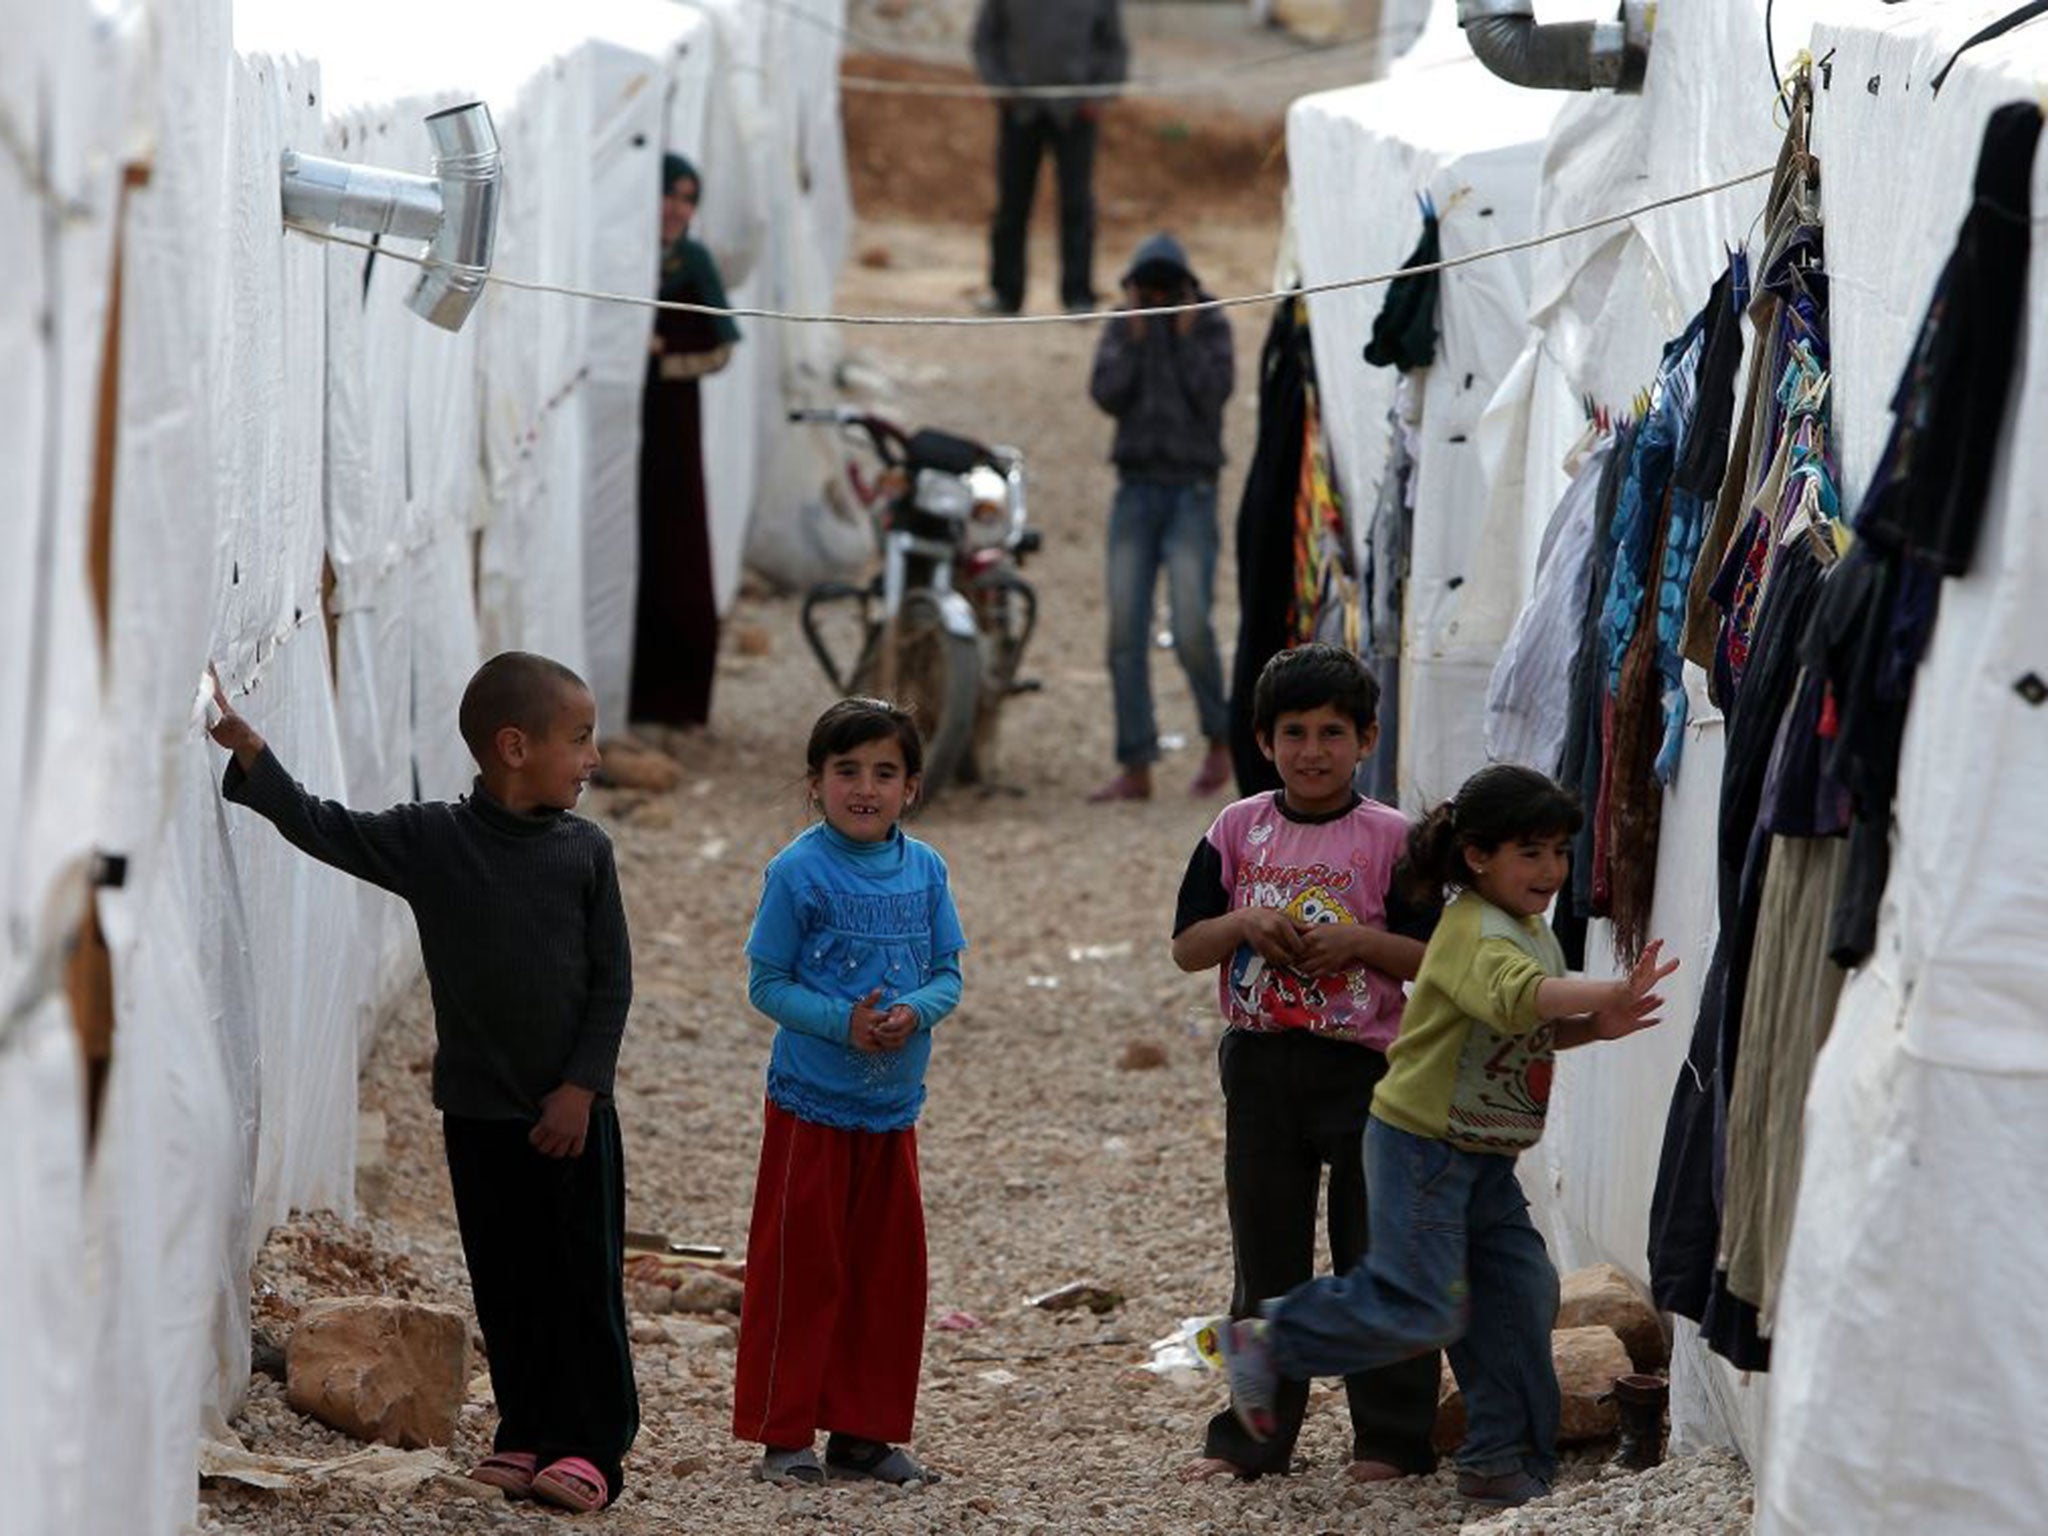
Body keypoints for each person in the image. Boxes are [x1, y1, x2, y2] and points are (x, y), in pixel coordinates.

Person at [207, 652, 637, 1513]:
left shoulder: (584, 853)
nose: (595, 758)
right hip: (478, 1117)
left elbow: (612, 982)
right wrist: (246, 746)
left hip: (571, 1116)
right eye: (580, 739)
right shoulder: (436, 842)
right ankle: (523, 1433)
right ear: (514, 747)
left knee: (580, 1283)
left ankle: (590, 1445)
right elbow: (324, 825)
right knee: (506, 1280)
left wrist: (581, 1089)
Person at [1209, 763, 1679, 1509]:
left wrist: (1597, 1024)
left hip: (1483, 1155)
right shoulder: (1472, 933)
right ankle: (1269, 1342)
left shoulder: (1526, 928)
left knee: (1521, 1293)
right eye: (1531, 852)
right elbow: (1519, 995)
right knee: (1420, 1303)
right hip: (1422, 1147)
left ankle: (1500, 1461)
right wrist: (1611, 990)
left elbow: (1522, 1029)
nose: (1552, 870)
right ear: (1476, 856)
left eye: (1559, 851)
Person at [1170, 644, 1444, 1484]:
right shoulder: (1235, 829)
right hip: (1259, 1070)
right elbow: (1188, 946)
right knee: (1266, 1263)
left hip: (1370, 1077)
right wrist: (1247, 923)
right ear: (1263, 740)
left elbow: (1436, 959)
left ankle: (1393, 1439)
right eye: (1294, 732)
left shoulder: (1395, 839)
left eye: (1333, 732)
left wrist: (1360, 943)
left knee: (1377, 1257)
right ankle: (1253, 1437)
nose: (1313, 751)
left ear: (1367, 737)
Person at [732, 698, 967, 1488]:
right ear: (816, 782)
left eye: (884, 772)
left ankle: (865, 1435)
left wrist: (913, 1013)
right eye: (846, 771)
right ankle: (784, 1434)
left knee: (886, 1276)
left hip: (892, 1109)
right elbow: (767, 983)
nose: (864, 788)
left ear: (912, 786)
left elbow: (948, 975)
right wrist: (843, 1023)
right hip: (811, 1103)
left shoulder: (926, 869)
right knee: (802, 1269)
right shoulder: (798, 870)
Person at [1088, 231, 1235, 802]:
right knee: (1125, 630)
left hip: (1191, 492)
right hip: (1136, 489)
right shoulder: (1123, 325)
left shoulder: (1211, 323)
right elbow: (1106, 394)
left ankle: (1219, 736)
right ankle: (1136, 761)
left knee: (1193, 622)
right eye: (1144, 289)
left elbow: (1213, 394)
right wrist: (1133, 340)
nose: (1152, 298)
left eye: (1162, 290)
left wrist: (1184, 339)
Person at [633, 152, 741, 734]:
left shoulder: (690, 261)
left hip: (673, 417)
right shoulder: (625, 253)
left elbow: (722, 345)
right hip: (624, 418)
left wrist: (664, 359)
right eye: (669, 195)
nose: (676, 209)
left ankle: (672, 700)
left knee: (675, 540)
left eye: (687, 199)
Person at [972, 0, 1128, 315]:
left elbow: (1114, 47)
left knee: (1076, 203)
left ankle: (1078, 295)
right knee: (1012, 203)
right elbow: (985, 39)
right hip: (1020, 112)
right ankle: (1006, 292)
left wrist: (1096, 96)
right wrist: (1001, 89)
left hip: (1076, 115)